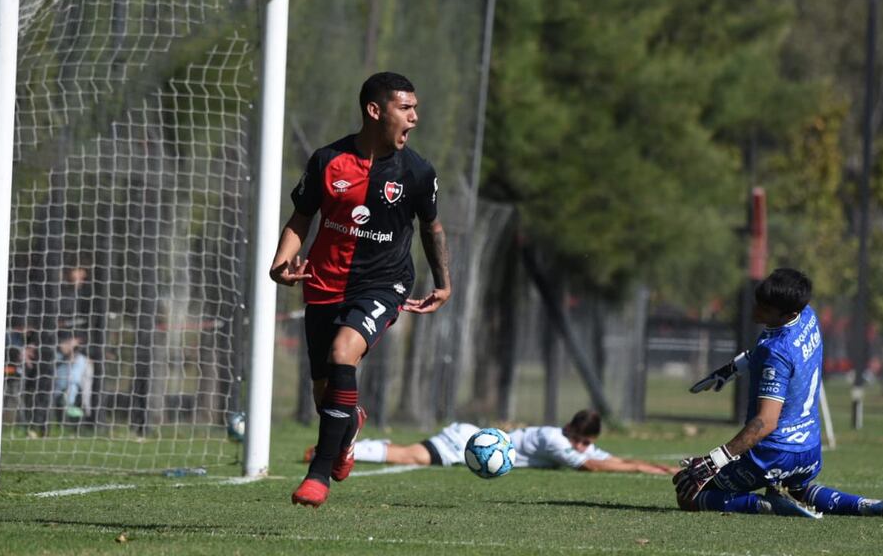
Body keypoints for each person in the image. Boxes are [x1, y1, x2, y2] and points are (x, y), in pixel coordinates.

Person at [270, 72, 451, 507]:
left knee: (342, 352)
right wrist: (280, 262)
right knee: (324, 394)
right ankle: (349, 426)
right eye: (405, 108)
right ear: (375, 110)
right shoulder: (327, 160)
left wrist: (443, 284)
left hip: (384, 283)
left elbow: (432, 228)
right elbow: (301, 217)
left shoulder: (417, 171)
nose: (414, 117)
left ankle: (318, 476)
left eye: (415, 108)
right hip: (323, 282)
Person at [674, 268, 883, 518]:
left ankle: (766, 505)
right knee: (799, 491)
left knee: (689, 494)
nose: (756, 310)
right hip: (809, 450)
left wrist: (714, 460)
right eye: (758, 302)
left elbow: (766, 422)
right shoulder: (807, 316)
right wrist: (734, 368)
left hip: (772, 455)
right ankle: (871, 505)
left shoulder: (776, 351)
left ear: (788, 314)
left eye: (765, 309)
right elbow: (782, 358)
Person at [307, 409, 678, 475]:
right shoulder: (553, 439)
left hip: (475, 440)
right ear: (569, 429)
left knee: (410, 454)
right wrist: (638, 468)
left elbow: (606, 457)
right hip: (471, 442)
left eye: (586, 443)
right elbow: (596, 465)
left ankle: (347, 447)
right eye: (580, 441)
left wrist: (659, 469)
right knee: (411, 457)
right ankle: (331, 450)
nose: (583, 447)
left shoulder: (574, 442)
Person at [54, 330, 94, 422]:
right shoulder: (56, 349)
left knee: (82, 362)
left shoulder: (80, 356)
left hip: (72, 383)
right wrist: (66, 357)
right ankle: (67, 401)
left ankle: (74, 403)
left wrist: (72, 356)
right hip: (58, 382)